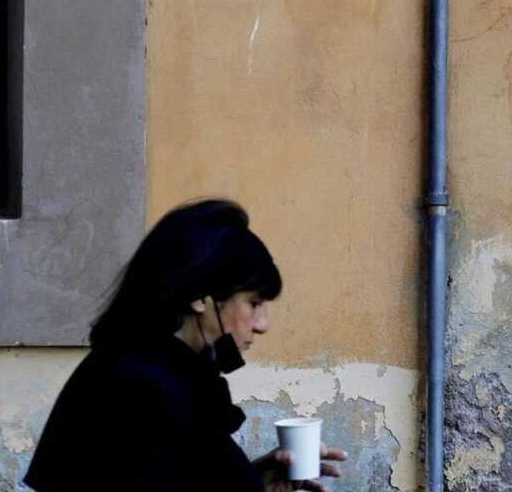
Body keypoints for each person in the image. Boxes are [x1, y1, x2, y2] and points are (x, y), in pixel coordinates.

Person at [24, 199, 348, 492]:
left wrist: (253, 481)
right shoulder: (144, 387)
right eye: (254, 302)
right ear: (199, 298)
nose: (263, 324)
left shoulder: (150, 368)